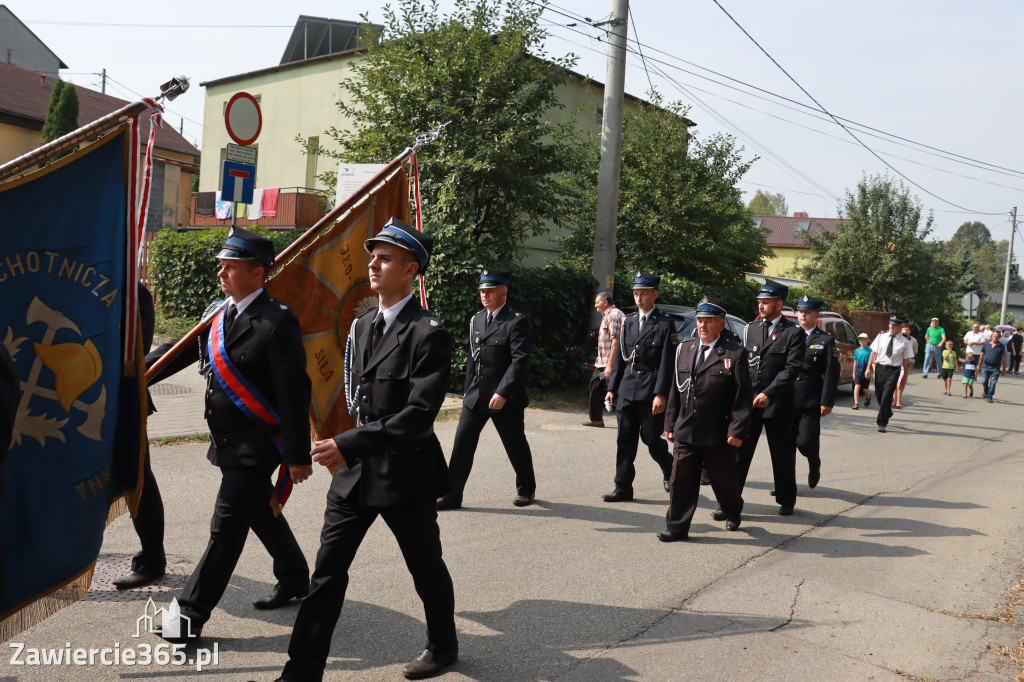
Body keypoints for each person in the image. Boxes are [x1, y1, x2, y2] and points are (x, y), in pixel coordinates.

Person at [280, 218, 458, 681]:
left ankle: (443, 645)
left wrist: (347, 442)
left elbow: (419, 414)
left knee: (425, 568)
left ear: (411, 269)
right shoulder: (361, 326)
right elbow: (359, 401)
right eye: (372, 255)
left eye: (385, 258)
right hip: (355, 473)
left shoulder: (428, 333)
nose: (372, 264)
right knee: (327, 576)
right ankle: (300, 672)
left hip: (405, 473)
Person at [147, 227, 312, 640]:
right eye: (221, 265)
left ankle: (188, 617)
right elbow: (176, 354)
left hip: (256, 446)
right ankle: (294, 576)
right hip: (226, 442)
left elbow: (294, 393)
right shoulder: (217, 314)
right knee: (258, 510)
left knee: (226, 527)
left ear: (258, 274)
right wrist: (133, 375)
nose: (222, 272)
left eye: (231, 267)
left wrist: (297, 455)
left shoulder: (277, 322)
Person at [436, 268, 536, 510]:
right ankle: (452, 494)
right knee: (462, 444)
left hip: (504, 397)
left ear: (504, 292)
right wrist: (468, 390)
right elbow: (474, 358)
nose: (485, 295)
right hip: (476, 395)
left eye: (490, 291)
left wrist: (503, 392)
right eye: (482, 291)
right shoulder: (477, 319)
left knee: (515, 444)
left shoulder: (516, 321)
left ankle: (526, 488)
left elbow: (519, 361)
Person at [658, 296, 751, 542]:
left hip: (718, 433)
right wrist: (669, 424)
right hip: (686, 429)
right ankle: (676, 528)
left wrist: (737, 430)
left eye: (709, 321)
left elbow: (742, 397)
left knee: (724, 482)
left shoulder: (735, 353)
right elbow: (675, 390)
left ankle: (733, 510)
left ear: (722, 324)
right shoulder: (684, 349)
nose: (702, 326)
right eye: (700, 320)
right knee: (681, 480)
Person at [602, 272, 676, 502]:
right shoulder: (629, 321)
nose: (639, 298)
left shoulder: (665, 323)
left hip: (650, 389)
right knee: (624, 440)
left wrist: (661, 394)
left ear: (655, 294)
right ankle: (622, 488)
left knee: (651, 439)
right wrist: (612, 388)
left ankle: (670, 469)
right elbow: (620, 359)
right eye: (636, 294)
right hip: (627, 387)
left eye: (644, 293)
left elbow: (667, 361)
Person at [112, 282, 167, 589]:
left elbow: (138, 349)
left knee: (138, 476)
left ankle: (152, 560)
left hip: (122, 401)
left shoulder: (132, 289)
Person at [734, 280, 805, 516]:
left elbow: (791, 369)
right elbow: (743, 365)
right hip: (750, 402)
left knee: (782, 454)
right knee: (738, 454)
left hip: (778, 403)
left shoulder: (793, 333)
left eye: (765, 302)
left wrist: (769, 393)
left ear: (779, 304)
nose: (760, 306)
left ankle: (786, 499)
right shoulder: (750, 329)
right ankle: (730, 501)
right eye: (759, 302)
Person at [791, 296, 840, 489]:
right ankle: (786, 486)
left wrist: (827, 401)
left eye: (808, 312)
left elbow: (831, 372)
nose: (803, 315)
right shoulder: (789, 335)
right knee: (785, 447)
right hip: (787, 396)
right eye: (800, 311)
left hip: (810, 397)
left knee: (804, 442)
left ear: (816, 315)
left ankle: (814, 462)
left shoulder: (825, 340)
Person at [583, 292, 625, 428]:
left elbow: (616, 341)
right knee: (595, 385)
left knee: (617, 392)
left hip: (610, 362)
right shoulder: (607, 315)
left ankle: (629, 422)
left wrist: (610, 365)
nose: (595, 305)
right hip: (602, 361)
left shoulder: (613, 315)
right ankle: (596, 419)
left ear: (605, 302)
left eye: (597, 302)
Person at [866, 315, 914, 433]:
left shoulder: (905, 341)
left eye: (895, 325)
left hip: (894, 370)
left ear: (901, 326)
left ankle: (882, 423)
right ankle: (887, 411)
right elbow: (873, 353)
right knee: (878, 394)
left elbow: (906, 359)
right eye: (890, 324)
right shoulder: (881, 336)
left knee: (887, 395)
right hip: (880, 368)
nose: (892, 326)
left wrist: (905, 375)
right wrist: (868, 368)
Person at [979, 330, 1007, 403]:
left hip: (995, 367)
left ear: (999, 337)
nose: (995, 337)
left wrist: (1004, 369)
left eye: (997, 336)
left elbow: (1004, 358)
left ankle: (989, 396)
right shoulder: (986, 344)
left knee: (993, 383)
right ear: (991, 336)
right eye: (994, 336)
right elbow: (982, 355)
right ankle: (986, 391)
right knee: (984, 381)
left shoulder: (1001, 346)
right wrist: (978, 365)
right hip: (985, 366)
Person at [894, 325, 918, 408]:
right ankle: (895, 400)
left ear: (910, 331)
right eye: (904, 329)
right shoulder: (896, 338)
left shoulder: (913, 340)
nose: (905, 331)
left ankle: (898, 401)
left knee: (900, 382)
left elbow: (915, 352)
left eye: (907, 330)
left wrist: (907, 358)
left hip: (907, 363)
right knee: (896, 382)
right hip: (896, 363)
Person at [852, 333, 872, 410]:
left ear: (867, 341)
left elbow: (873, 362)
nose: (862, 341)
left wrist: (871, 371)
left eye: (864, 339)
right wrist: (853, 373)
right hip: (858, 371)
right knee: (857, 386)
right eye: (860, 339)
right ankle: (856, 403)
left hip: (866, 372)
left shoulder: (870, 351)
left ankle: (868, 397)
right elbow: (855, 362)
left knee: (865, 388)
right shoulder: (857, 351)